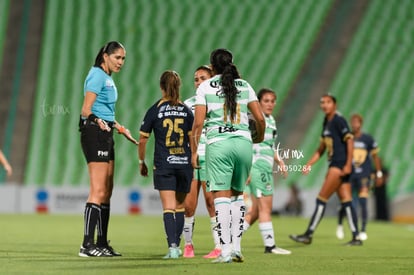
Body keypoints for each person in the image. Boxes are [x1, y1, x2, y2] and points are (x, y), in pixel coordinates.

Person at [191, 48, 265, 263]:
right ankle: (237, 248)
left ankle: (224, 252)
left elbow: (197, 123)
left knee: (221, 198)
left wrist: (195, 151)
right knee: (237, 197)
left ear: (212, 67)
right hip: (243, 144)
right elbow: (260, 120)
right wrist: (257, 138)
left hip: (218, 144)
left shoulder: (205, 87)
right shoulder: (244, 85)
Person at [79, 41, 136, 257]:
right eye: (117, 57)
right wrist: (96, 120)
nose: (121, 62)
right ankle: (86, 245)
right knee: (98, 190)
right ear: (105, 56)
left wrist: (120, 128)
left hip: (106, 132)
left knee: (107, 191)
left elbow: (106, 112)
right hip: (94, 133)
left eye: (123, 58)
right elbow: (86, 110)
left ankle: (101, 243)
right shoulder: (96, 75)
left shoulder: (107, 78)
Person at [289, 94, 362, 246]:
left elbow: (349, 141)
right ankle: (356, 237)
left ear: (335, 104)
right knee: (347, 201)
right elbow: (321, 149)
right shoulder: (326, 122)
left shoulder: (338, 120)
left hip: (339, 165)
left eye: (328, 102)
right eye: (322, 102)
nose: (324, 105)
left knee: (321, 199)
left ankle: (308, 234)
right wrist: (309, 164)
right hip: (338, 165)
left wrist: (348, 164)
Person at [138, 70, 194, 259]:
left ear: (161, 87)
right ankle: (176, 245)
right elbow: (192, 138)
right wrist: (192, 156)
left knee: (169, 207)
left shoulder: (155, 110)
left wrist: (141, 161)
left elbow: (143, 140)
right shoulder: (186, 110)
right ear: (178, 87)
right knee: (179, 206)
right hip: (184, 163)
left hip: (165, 164)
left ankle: (172, 248)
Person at [242, 88, 291, 255]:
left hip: (266, 167)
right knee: (265, 208)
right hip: (258, 167)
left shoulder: (271, 121)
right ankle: (270, 246)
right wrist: (247, 169)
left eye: (272, 101)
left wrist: (280, 162)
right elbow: (247, 145)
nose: (270, 104)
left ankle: (230, 238)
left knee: (255, 211)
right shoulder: (255, 120)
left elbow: (269, 146)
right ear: (259, 102)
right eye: (266, 101)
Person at [182, 65, 222, 258]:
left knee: (211, 202)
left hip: (211, 156)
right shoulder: (187, 104)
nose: (198, 82)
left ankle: (218, 246)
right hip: (191, 157)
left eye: (203, 78)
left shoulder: (217, 102)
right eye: (196, 79)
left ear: (212, 79)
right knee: (189, 205)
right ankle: (188, 245)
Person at [336, 114, 383, 241]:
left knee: (363, 201)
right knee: (346, 202)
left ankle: (362, 230)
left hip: (364, 174)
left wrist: (378, 173)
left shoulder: (367, 139)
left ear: (361, 124)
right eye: (353, 122)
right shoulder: (347, 138)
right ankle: (340, 224)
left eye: (357, 122)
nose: (355, 124)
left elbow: (375, 157)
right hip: (350, 174)